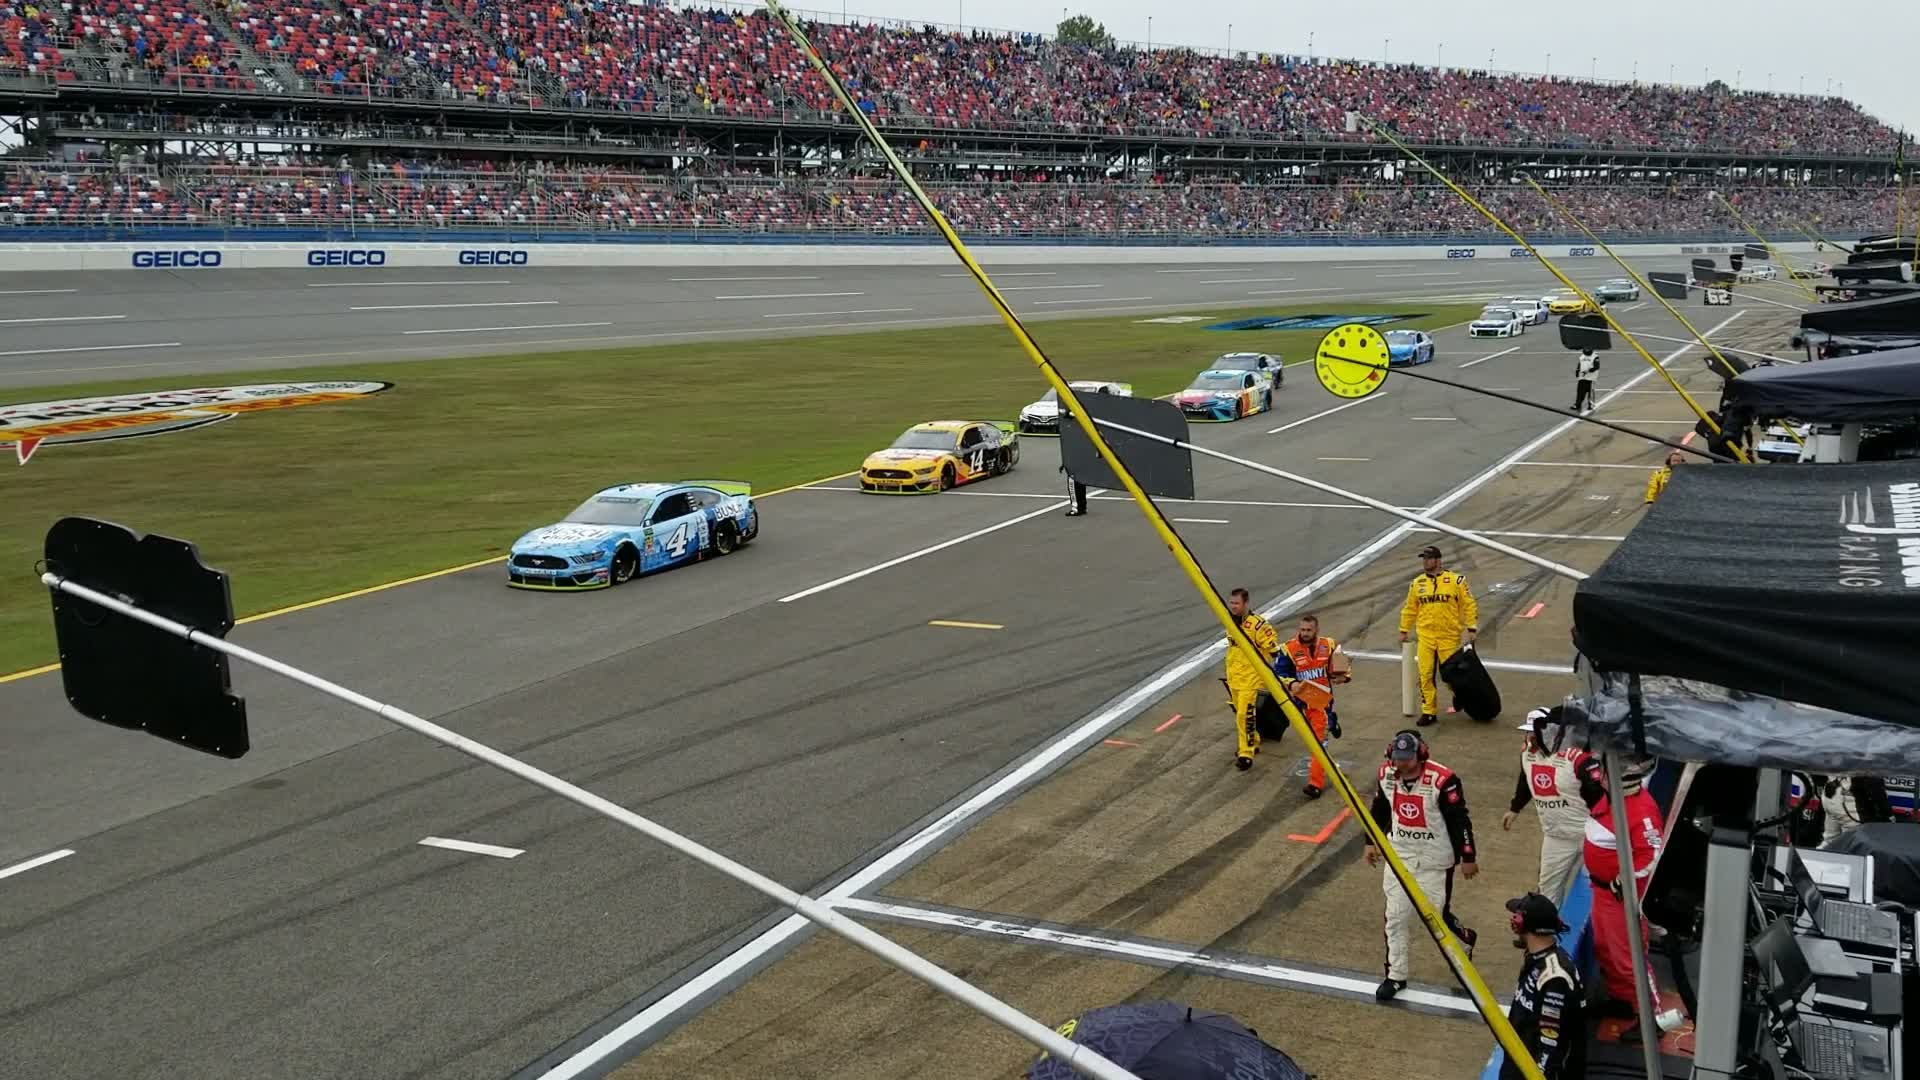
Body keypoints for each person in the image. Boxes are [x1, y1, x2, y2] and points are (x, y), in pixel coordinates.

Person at [1367, 730, 1479, 1001]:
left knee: (1435, 918)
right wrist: (1370, 841)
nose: (1402, 764)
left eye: (1407, 759)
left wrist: (1468, 857)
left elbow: (1459, 820)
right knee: (1395, 917)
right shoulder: (1386, 775)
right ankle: (1396, 975)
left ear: (1421, 755)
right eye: (1397, 758)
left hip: (1434, 859)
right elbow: (1380, 809)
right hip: (1400, 855)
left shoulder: (1444, 780)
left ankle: (1463, 943)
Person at [1581, 754, 1664, 1033]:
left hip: (1620, 898)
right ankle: (1623, 1000)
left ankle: (1652, 1019)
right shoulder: (1615, 801)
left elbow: (1652, 855)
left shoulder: (1641, 810)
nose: (1597, 772)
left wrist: (1625, 881)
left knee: (1630, 958)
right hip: (1603, 892)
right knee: (1607, 951)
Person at [1502, 707, 1600, 904]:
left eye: (1533, 731)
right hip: (1556, 835)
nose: (1530, 736)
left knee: (1598, 888)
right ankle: (1545, 930)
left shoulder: (1576, 757)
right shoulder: (1527, 754)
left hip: (1590, 834)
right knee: (1547, 887)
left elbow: (1599, 795)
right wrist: (1515, 808)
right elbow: (1526, 780)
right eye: (1527, 731)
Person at [1499, 892, 1588, 1080]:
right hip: (1518, 1059)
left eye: (1516, 915)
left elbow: (1550, 1043)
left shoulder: (1555, 977)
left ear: (1524, 924)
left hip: (1531, 1070)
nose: (1512, 919)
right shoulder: (1537, 958)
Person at [1398, 546, 1478, 727]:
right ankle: (1429, 712)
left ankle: (1459, 694)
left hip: (1449, 636)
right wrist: (1403, 630)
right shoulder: (1417, 584)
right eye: (1424, 558)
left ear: (1438, 560)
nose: (1425, 561)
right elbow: (1410, 608)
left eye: (1429, 558)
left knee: (1451, 676)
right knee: (1425, 674)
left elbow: (1469, 604)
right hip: (1426, 636)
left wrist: (1471, 627)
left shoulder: (1456, 581)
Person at [1277, 613, 1350, 800]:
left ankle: (1315, 784)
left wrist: (1344, 676)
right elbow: (1279, 672)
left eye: (1309, 630)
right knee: (1312, 737)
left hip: (1322, 703)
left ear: (1316, 630)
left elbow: (1342, 665)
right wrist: (1292, 684)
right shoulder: (1289, 649)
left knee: (1317, 744)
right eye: (1302, 629)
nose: (1305, 633)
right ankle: (1332, 722)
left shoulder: (1330, 644)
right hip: (1300, 703)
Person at [1223, 588, 1279, 772]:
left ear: (1246, 603)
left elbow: (1274, 652)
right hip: (1235, 676)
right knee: (1239, 711)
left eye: (1236, 603)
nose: (1233, 606)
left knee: (1244, 714)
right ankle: (1253, 740)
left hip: (1251, 678)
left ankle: (1246, 753)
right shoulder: (1230, 621)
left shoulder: (1259, 626)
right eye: (1231, 603)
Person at [1573, 349, 1600, 413]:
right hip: (1582, 377)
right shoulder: (1582, 356)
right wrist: (1577, 370)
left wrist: (1588, 370)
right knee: (1580, 391)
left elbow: (1597, 367)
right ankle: (1577, 404)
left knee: (1590, 392)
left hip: (1591, 378)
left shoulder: (1595, 356)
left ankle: (1591, 405)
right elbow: (1579, 364)